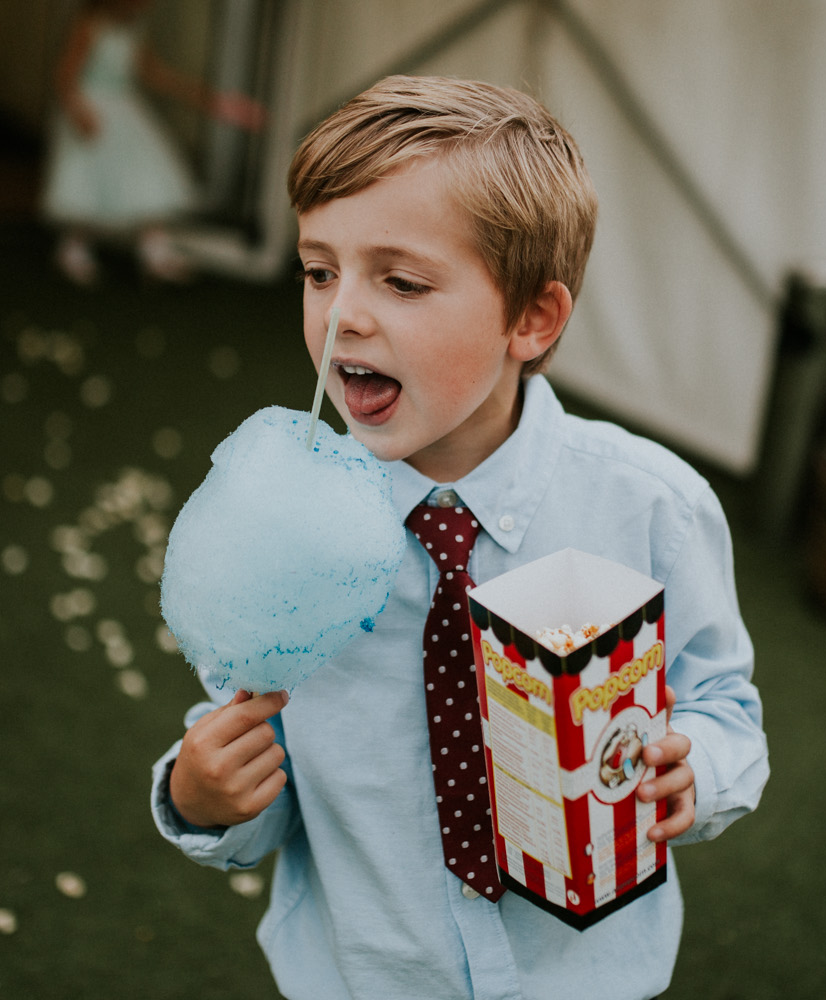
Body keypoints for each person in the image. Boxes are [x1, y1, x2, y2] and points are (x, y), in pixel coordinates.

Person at [150, 76, 769, 1000]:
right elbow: (254, 755)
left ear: (532, 318)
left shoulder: (651, 510)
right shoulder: (288, 539)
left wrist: (699, 769)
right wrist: (199, 797)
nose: (344, 313)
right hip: (363, 976)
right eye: (320, 270)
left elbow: (722, 702)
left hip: (582, 977)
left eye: (400, 280)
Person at [40, 0, 263, 285]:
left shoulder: (133, 29)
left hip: (122, 108)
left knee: (144, 173)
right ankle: (75, 246)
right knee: (92, 178)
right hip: (94, 109)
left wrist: (211, 101)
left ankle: (154, 249)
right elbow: (65, 76)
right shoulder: (89, 25)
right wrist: (76, 109)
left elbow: (155, 74)